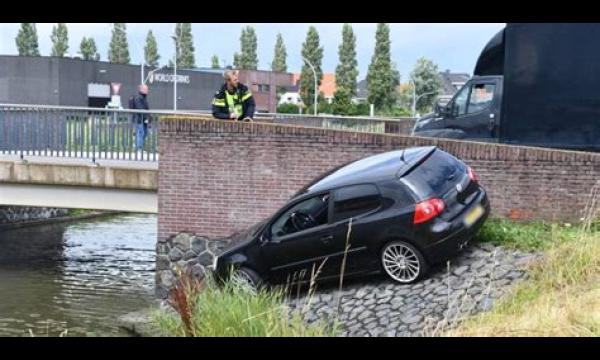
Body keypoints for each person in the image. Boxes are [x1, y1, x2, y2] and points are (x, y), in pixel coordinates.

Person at [129, 84, 151, 151]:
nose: (147, 90)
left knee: (145, 133)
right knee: (140, 132)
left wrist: (148, 118)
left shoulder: (144, 98)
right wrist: (146, 117)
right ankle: (139, 148)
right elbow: (139, 108)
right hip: (138, 119)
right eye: (146, 89)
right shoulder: (138, 98)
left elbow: (146, 109)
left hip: (143, 119)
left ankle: (139, 146)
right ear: (141, 89)